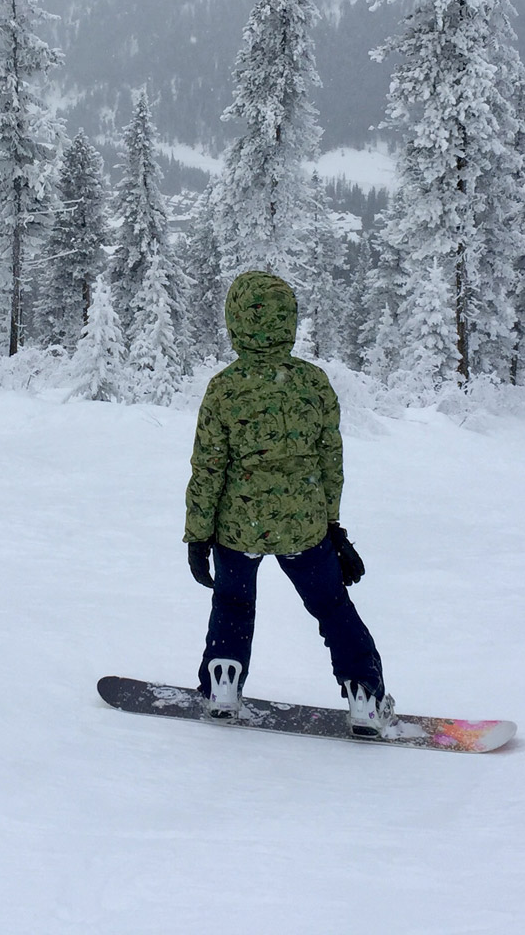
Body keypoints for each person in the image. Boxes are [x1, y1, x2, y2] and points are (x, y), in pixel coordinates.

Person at [183, 270, 391, 735]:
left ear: (234, 321)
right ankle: (364, 696)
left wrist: (198, 536)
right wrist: (332, 524)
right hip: (305, 529)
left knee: (233, 604)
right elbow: (330, 461)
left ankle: (223, 683)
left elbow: (208, 468)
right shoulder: (313, 384)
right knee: (332, 607)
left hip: (238, 529)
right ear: (288, 320)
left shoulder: (224, 388)